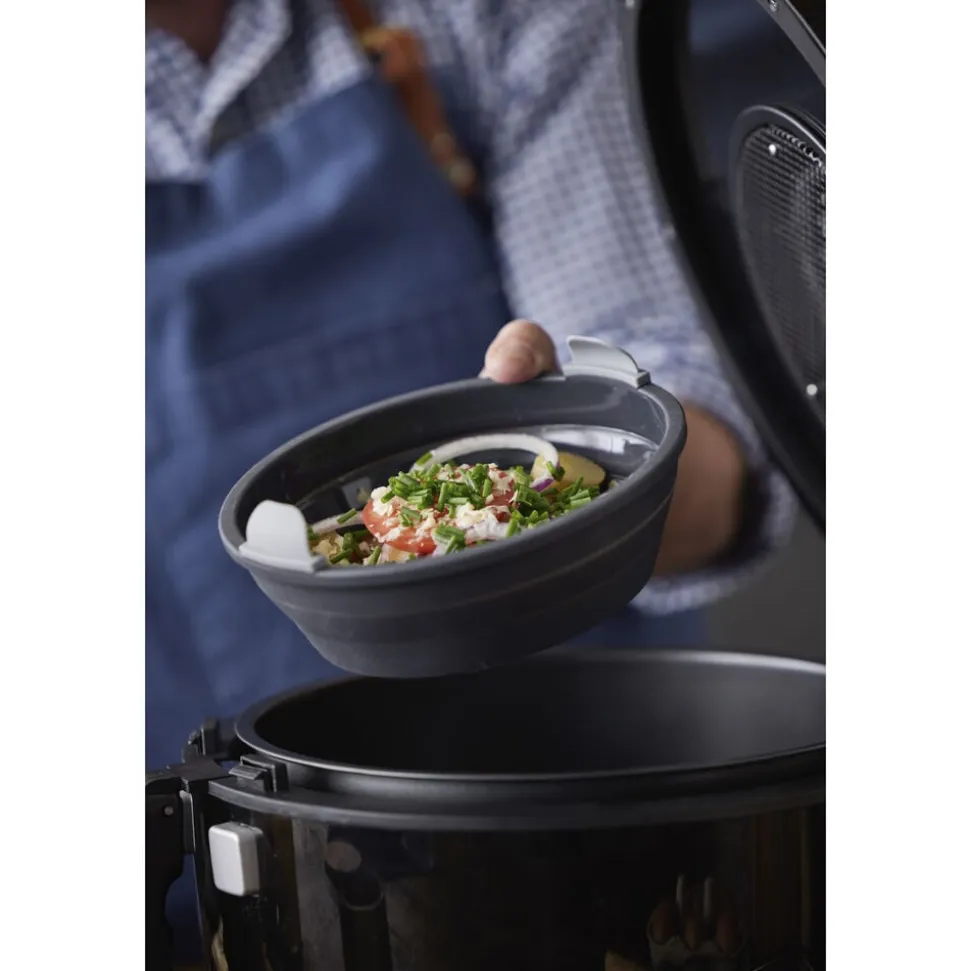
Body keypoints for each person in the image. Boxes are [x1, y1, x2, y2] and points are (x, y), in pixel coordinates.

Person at [147, 0, 793, 953]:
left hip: (610, 825)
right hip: (222, 873)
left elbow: (682, 403)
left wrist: (572, 503)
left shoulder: (480, 14)